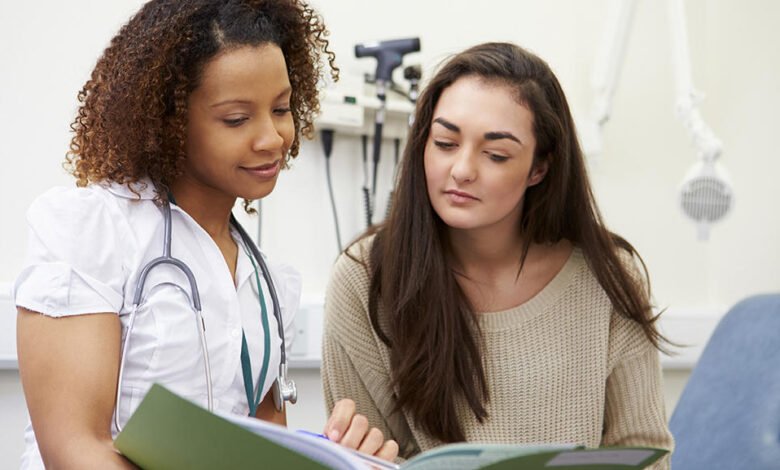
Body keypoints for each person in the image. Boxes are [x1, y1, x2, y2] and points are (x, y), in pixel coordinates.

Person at [13, 1, 396, 468]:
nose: (272, 138)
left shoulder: (267, 283)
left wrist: (334, 458)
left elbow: (260, 452)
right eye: (236, 119)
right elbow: (75, 450)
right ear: (168, 121)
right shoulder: (91, 233)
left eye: (281, 108)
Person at [321, 42, 674, 468]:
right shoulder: (364, 278)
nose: (462, 170)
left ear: (539, 168)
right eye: (445, 143)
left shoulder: (609, 278)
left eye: (496, 154)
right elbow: (365, 458)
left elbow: (646, 456)